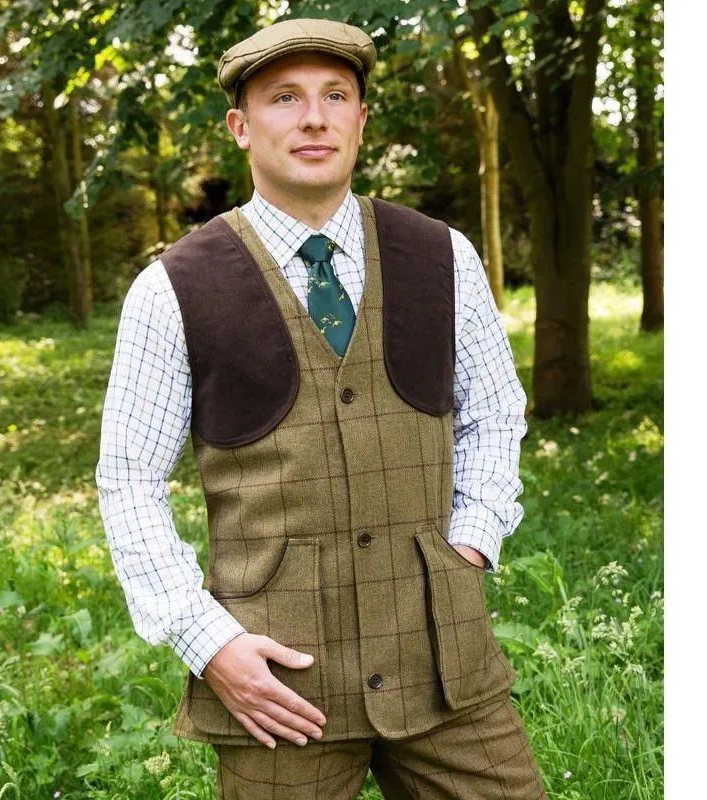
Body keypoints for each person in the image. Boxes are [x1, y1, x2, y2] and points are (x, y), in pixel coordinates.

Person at [96, 17, 547, 800]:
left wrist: (470, 544)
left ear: (361, 119)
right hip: (277, 679)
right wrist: (209, 643)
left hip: (444, 660)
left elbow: (495, 414)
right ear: (241, 126)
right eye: (285, 98)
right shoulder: (173, 288)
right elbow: (128, 479)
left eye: (337, 95)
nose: (314, 117)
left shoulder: (444, 256)